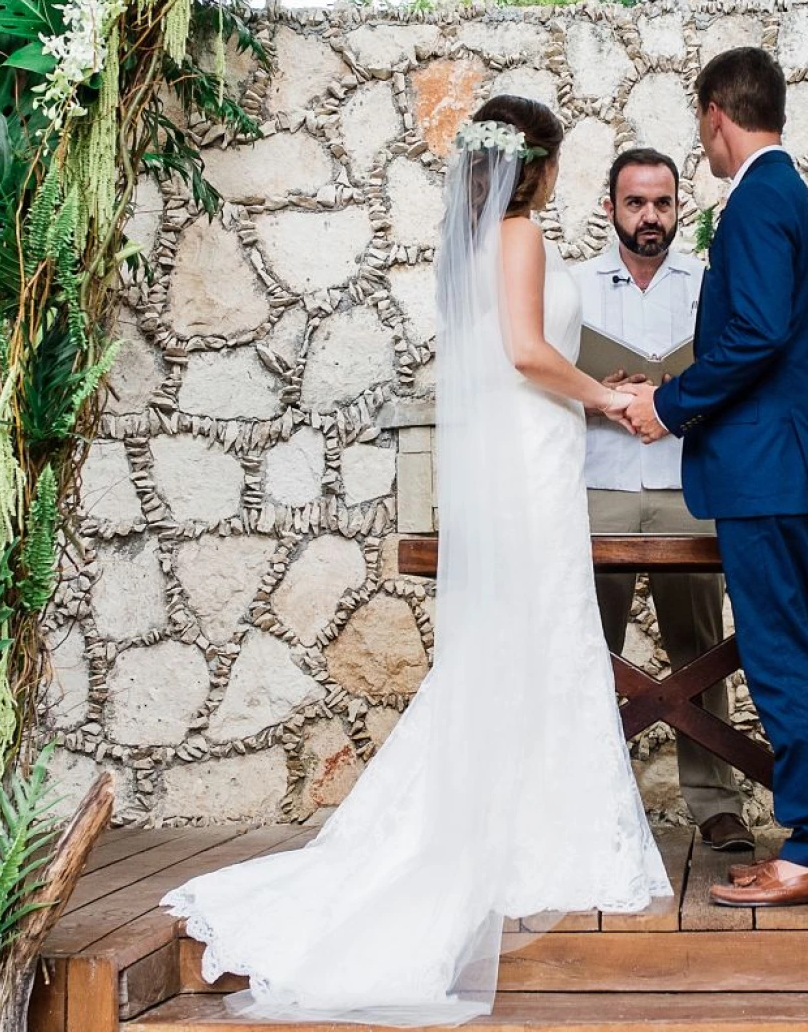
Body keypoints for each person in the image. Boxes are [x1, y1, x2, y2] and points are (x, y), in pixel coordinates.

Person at [165, 94, 668, 1023]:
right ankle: (532, 840)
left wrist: (594, 394)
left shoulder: (468, 246)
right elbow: (525, 351)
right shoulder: (516, 235)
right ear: (541, 169)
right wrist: (605, 396)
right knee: (536, 641)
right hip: (534, 453)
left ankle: (527, 829)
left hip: (525, 454)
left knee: (525, 647)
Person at [620, 46, 808, 910]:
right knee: (799, 654)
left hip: (767, 473)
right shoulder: (789, 194)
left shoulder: (757, 199)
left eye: (700, 123)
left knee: (783, 656)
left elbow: (753, 335)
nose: (703, 141)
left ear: (718, 111)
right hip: (787, 469)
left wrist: (669, 405)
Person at [579, 148, 752, 857]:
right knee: (589, 651)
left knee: (702, 649)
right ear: (610, 207)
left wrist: (675, 395)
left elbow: (732, 375)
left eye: (662, 203)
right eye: (636, 203)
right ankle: (588, 806)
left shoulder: (709, 284)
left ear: (680, 207)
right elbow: (540, 378)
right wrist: (601, 391)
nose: (650, 217)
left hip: (689, 484)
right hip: (600, 485)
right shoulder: (573, 287)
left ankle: (717, 804)